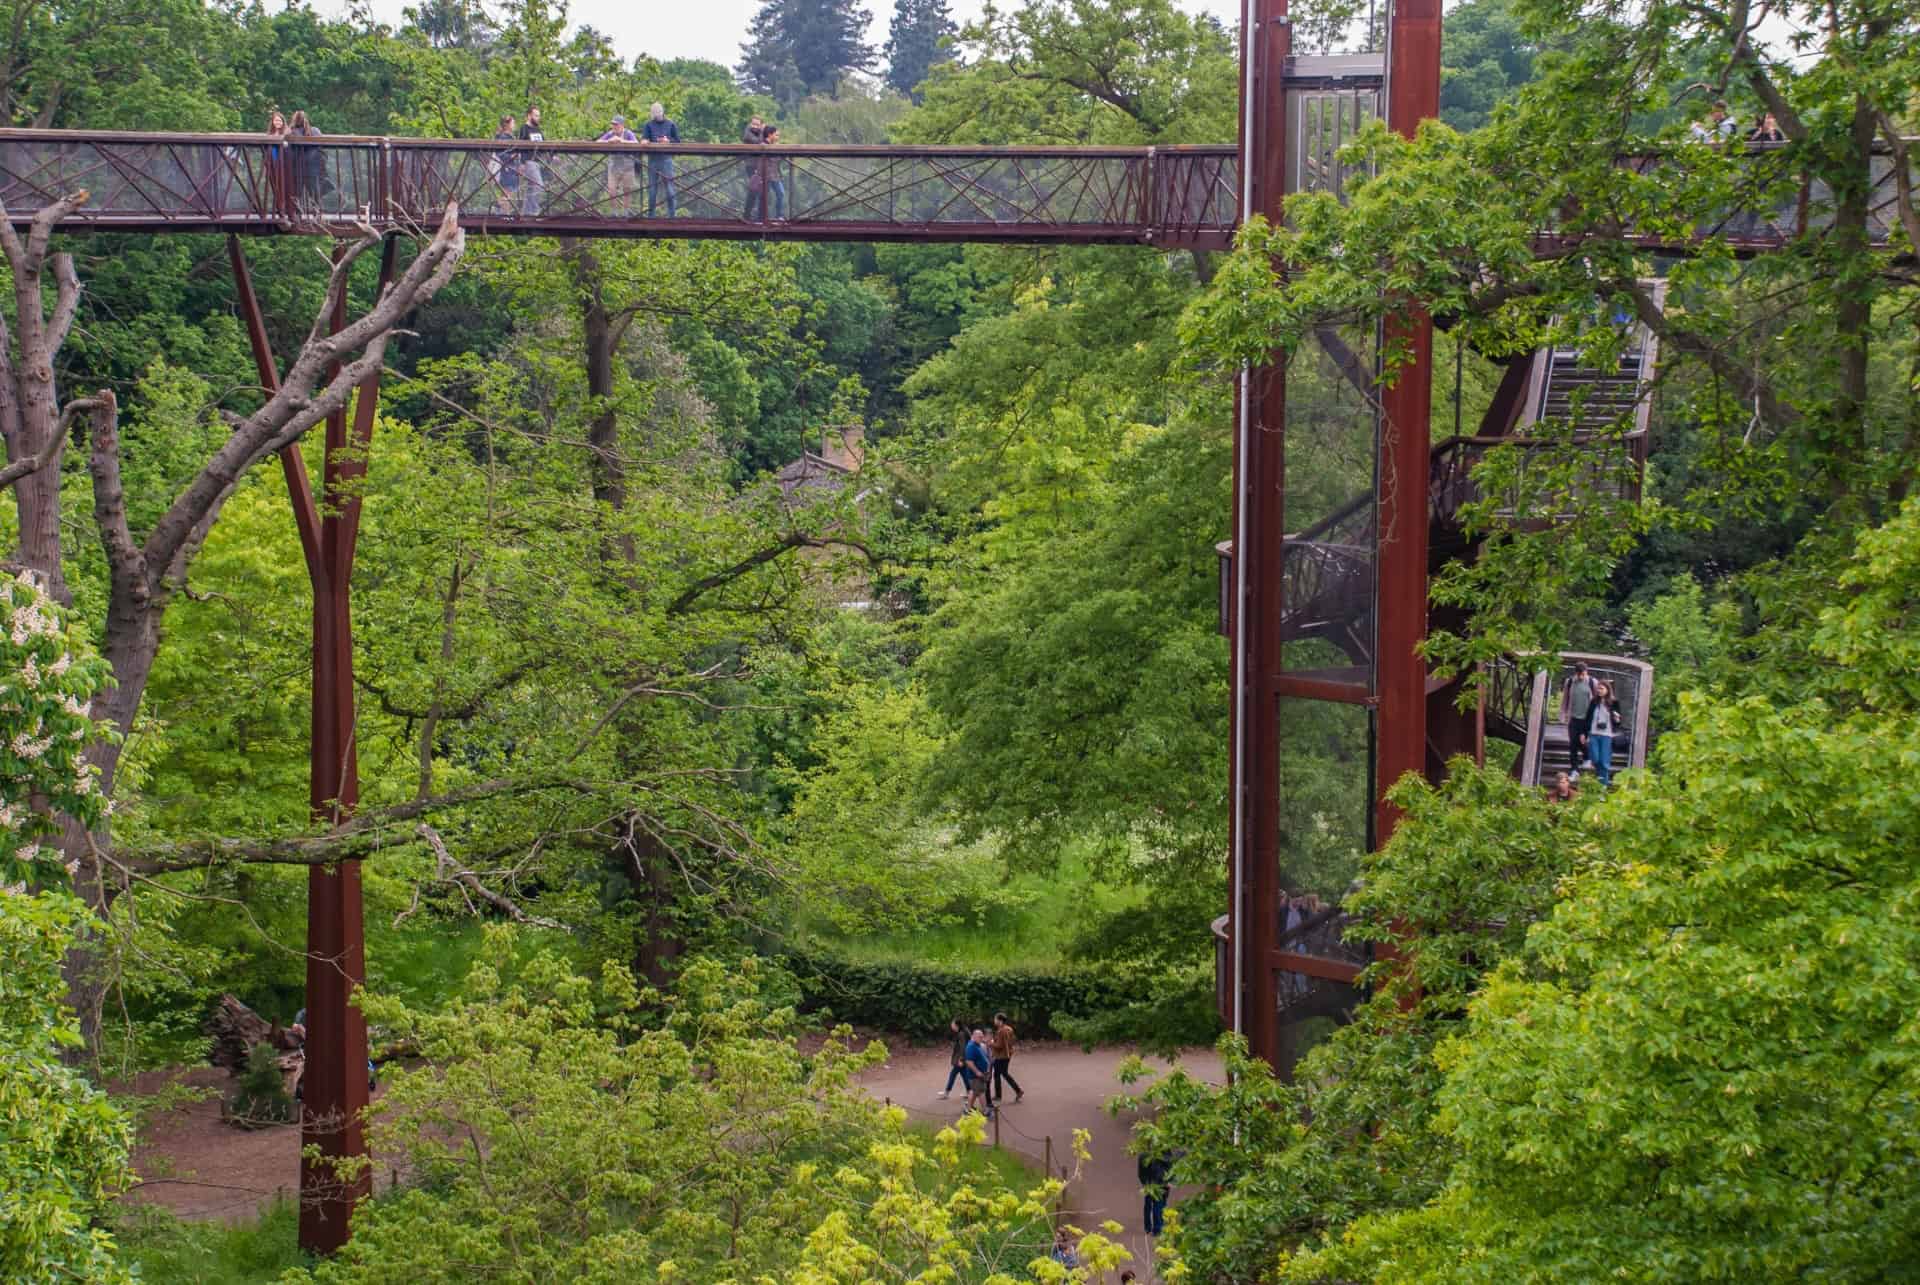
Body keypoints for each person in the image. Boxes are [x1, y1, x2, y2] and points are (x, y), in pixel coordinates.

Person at [641, 102, 680, 218]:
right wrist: (644, 141)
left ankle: (672, 215)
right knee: (652, 189)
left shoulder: (670, 124)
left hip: (666, 159)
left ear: (662, 112)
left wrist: (668, 141)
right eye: (654, 114)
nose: (656, 116)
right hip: (652, 159)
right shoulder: (648, 125)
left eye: (657, 113)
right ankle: (651, 215)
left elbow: (678, 141)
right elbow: (644, 139)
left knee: (669, 189)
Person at [596, 113, 638, 214]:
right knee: (611, 191)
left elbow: (636, 143)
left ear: (622, 125)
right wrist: (608, 142)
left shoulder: (628, 133)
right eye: (613, 124)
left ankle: (626, 212)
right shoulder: (610, 134)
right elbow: (598, 142)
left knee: (627, 190)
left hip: (627, 167)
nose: (614, 126)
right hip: (613, 167)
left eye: (616, 124)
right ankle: (614, 212)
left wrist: (621, 141)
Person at [1560, 661, 1597, 771]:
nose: (1581, 676)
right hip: (1573, 718)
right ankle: (1574, 769)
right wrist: (1563, 714)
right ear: (1576, 673)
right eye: (1579, 674)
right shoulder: (1570, 682)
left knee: (1583, 742)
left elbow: (1597, 699)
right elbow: (1565, 699)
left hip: (1587, 719)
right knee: (1573, 744)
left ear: (1587, 672)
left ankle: (1587, 758)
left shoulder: (1592, 682)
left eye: (1584, 674)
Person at [286, 110, 326, 211]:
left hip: (297, 169)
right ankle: (318, 214)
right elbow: (321, 147)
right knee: (314, 193)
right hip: (311, 168)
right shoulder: (315, 131)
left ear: (294, 120)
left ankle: (296, 215)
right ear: (306, 120)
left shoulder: (290, 131)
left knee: (296, 194)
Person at [1587, 680, 1618, 788]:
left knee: (1604, 761)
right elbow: (1588, 718)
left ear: (1607, 690)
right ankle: (1599, 779)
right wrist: (1584, 733)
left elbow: (1618, 721)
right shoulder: (1594, 701)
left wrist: (1616, 718)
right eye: (1598, 689)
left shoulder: (1614, 702)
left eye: (1602, 688)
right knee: (1595, 758)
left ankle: (1603, 786)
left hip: (1607, 734)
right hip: (1593, 733)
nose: (1599, 691)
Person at [517, 106, 546, 216]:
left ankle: (526, 213)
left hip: (537, 163)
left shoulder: (538, 129)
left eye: (539, 116)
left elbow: (544, 145)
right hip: (528, 162)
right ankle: (534, 211)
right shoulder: (524, 129)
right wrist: (521, 163)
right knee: (538, 185)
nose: (538, 118)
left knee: (531, 188)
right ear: (529, 115)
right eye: (536, 115)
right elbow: (519, 146)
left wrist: (552, 157)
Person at [990, 1012, 1023, 1104]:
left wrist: (991, 1043)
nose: (994, 1021)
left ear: (1000, 1021)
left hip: (1001, 1056)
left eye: (995, 1019)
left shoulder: (1001, 1031)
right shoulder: (1009, 1029)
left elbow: (999, 1046)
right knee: (1003, 1074)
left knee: (998, 1075)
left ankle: (999, 1095)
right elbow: (1012, 1041)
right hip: (1007, 1055)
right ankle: (1017, 1091)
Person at [1139, 1150, 1173, 1237]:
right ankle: (1157, 1229)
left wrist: (1144, 1183)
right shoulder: (1166, 1153)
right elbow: (1170, 1168)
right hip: (1160, 1184)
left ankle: (1150, 1228)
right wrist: (1169, 1181)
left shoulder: (1144, 1154)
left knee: (1151, 1206)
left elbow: (1141, 1172)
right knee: (1159, 1206)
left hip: (1150, 1183)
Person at [963, 1027, 994, 1118]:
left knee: (975, 1092)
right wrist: (977, 1072)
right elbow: (969, 1061)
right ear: (973, 1036)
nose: (981, 1038)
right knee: (981, 1092)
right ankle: (985, 1111)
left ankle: (968, 1109)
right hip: (975, 1075)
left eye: (982, 1037)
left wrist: (987, 1068)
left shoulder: (977, 1044)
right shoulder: (971, 1046)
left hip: (981, 1074)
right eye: (979, 1037)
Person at [490, 114, 519, 215]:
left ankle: (501, 212)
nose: (514, 125)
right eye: (513, 123)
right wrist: (511, 157)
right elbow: (500, 153)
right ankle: (503, 214)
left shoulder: (510, 137)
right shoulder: (504, 137)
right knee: (507, 194)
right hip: (506, 169)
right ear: (507, 124)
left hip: (511, 169)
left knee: (508, 194)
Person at [938, 1017, 969, 1099]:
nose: (951, 1026)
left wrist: (961, 1059)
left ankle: (946, 1093)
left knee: (953, 1074)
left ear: (957, 1025)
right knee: (964, 1075)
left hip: (960, 1059)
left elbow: (963, 1048)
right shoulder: (962, 1032)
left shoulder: (961, 1034)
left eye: (952, 1024)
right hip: (962, 1058)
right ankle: (969, 1091)